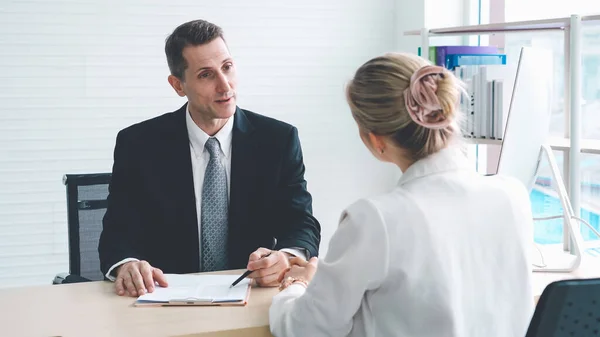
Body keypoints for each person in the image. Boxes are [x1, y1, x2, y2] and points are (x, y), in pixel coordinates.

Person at [269, 53, 535, 336]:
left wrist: (297, 286)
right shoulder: (513, 195)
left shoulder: (374, 220)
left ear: (374, 139)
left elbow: (305, 329)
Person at [98, 19, 321, 297]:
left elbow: (300, 221)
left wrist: (285, 257)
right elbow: (117, 232)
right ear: (178, 85)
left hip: (252, 293)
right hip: (166, 298)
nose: (225, 85)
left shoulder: (277, 140)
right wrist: (127, 264)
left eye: (227, 67)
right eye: (206, 75)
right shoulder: (139, 144)